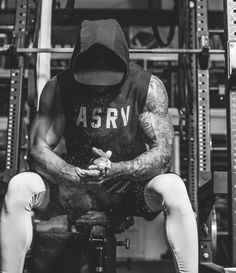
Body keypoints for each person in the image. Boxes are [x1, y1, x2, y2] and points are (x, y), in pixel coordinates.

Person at [0, 19, 198, 273]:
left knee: (174, 187)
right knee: (19, 187)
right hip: (72, 187)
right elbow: (37, 151)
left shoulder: (147, 87)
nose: (101, 85)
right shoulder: (58, 87)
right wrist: (72, 174)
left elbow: (163, 153)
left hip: (128, 187)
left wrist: (116, 169)